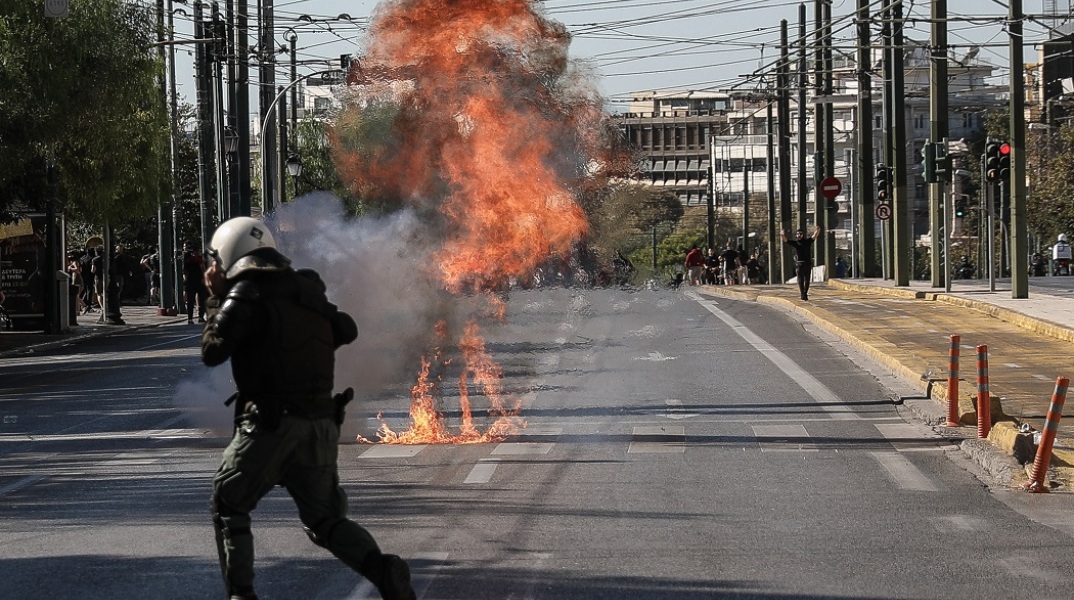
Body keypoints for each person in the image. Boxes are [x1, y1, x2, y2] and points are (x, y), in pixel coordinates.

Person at [200, 217, 415, 600]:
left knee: (229, 501)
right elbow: (345, 329)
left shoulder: (246, 293)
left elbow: (213, 351)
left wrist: (216, 297)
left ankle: (241, 594)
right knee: (325, 519)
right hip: (320, 424)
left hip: (269, 426)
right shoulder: (305, 289)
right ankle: (383, 571)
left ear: (228, 256)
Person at [781, 226, 822, 300]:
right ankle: (802, 293)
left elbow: (814, 236)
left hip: (807, 263)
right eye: (797, 234)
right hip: (799, 264)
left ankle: (805, 293)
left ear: (803, 235)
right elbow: (786, 241)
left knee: (807, 280)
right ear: (796, 235)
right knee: (800, 280)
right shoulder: (796, 243)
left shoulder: (807, 241)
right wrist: (782, 235)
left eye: (800, 234)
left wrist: (817, 230)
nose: (799, 235)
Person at [183, 243, 209, 324]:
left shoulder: (187, 260)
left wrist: (186, 279)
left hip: (190, 281)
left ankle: (190, 318)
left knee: (190, 301)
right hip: (199, 281)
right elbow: (203, 269)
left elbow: (184, 272)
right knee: (201, 299)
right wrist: (205, 278)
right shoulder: (199, 260)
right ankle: (201, 317)